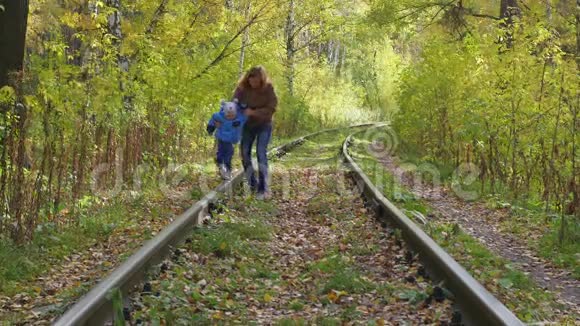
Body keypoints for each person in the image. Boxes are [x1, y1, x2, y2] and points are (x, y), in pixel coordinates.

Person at [233, 66, 278, 200]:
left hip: (264, 124)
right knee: (245, 153)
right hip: (248, 125)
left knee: (260, 152)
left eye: (256, 80)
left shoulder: (268, 89)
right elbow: (234, 103)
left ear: (261, 79)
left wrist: (254, 112)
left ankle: (264, 188)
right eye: (251, 79)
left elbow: (272, 108)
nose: (253, 82)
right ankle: (253, 184)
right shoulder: (242, 89)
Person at [207, 100, 247, 180]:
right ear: (224, 113)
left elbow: (245, 117)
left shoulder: (239, 117)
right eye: (228, 116)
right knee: (229, 151)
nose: (230, 117)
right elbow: (213, 117)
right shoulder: (220, 116)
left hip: (232, 138)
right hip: (223, 137)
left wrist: (243, 106)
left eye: (232, 115)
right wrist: (211, 128)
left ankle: (220, 162)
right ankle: (226, 168)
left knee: (223, 151)